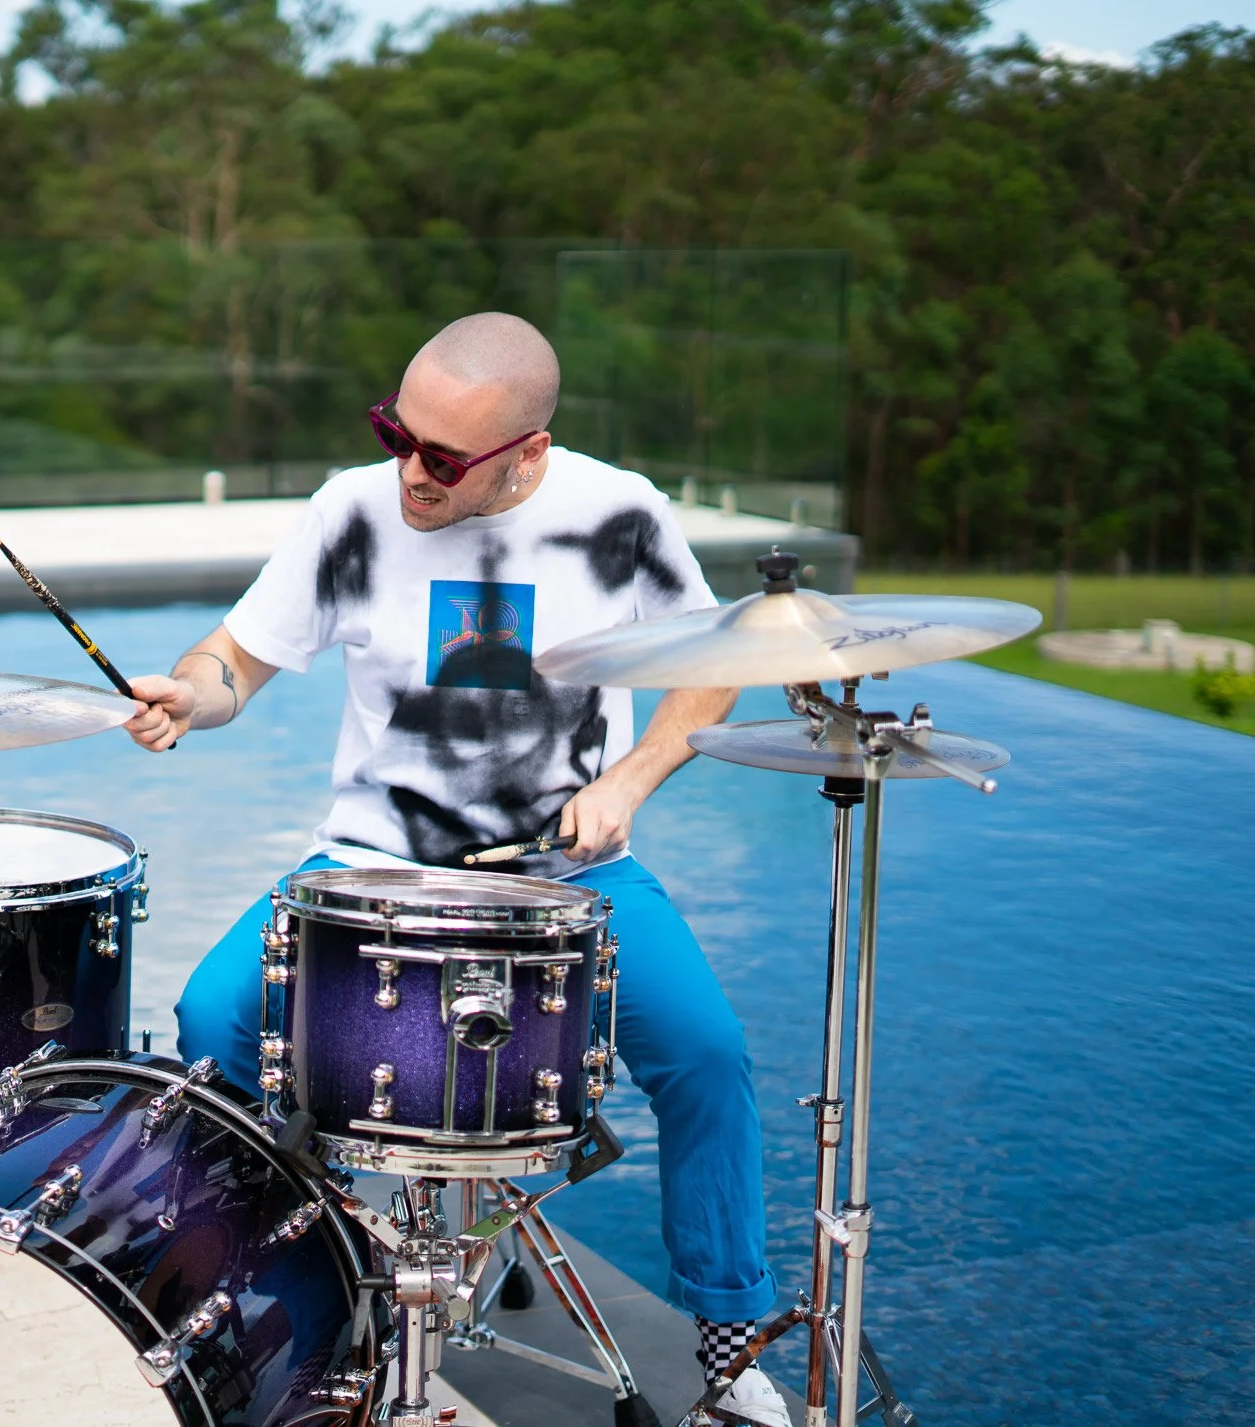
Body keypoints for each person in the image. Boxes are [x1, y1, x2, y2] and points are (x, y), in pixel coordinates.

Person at [123, 313, 789, 1426]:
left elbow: (712, 665)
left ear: (528, 452)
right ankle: (275, 1290)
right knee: (211, 1017)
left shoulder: (620, 514)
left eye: (441, 456)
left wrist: (626, 783)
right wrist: (193, 695)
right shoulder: (351, 511)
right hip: (371, 864)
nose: (410, 471)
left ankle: (732, 1344)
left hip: (565, 875)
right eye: (396, 433)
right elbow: (234, 658)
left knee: (709, 1055)